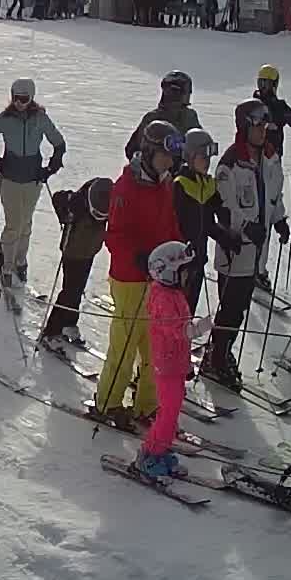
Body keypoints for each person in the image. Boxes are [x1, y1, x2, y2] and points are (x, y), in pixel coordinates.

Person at [93, 120, 183, 424]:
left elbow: (169, 224)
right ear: (148, 152)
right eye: (164, 156)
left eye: (171, 158)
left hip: (157, 277)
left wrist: (178, 251)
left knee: (154, 345)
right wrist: (140, 256)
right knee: (126, 342)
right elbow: (114, 236)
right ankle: (108, 402)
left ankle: (146, 404)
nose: (169, 163)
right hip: (129, 277)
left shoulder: (165, 183)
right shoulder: (126, 186)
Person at [203, 99, 287, 389]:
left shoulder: (270, 157)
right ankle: (217, 355)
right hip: (235, 251)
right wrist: (245, 227)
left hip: (256, 252)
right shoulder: (229, 165)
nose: (264, 131)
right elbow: (224, 209)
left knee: (238, 309)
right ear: (244, 127)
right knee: (230, 308)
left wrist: (279, 219)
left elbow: (273, 194)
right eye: (259, 126)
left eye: (266, 126)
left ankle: (221, 351)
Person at [0, 78, 66, 288]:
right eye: (16, 98)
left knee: (26, 224)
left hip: (33, 179)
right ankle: (6, 266)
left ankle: (20, 262)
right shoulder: (6, 119)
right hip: (11, 179)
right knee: (14, 224)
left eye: (24, 99)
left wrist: (51, 167)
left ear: (31, 98)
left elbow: (59, 142)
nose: (19, 103)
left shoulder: (40, 118)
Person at [134, 241, 209, 478]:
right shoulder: (163, 298)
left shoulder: (173, 294)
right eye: (184, 271)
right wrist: (203, 326)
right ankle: (149, 455)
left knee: (172, 412)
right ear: (168, 273)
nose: (188, 276)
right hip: (166, 364)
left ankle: (160, 449)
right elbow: (179, 331)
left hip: (174, 362)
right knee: (168, 414)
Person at [40, 177, 112, 348]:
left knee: (78, 288)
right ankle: (51, 331)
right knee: (69, 291)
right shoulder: (77, 202)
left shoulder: (109, 200)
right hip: (72, 251)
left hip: (89, 250)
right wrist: (65, 216)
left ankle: (69, 323)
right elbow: (58, 197)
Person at [171, 129, 227, 315]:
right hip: (182, 263)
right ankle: (170, 343)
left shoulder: (208, 186)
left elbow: (209, 223)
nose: (207, 162)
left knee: (189, 310)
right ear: (190, 156)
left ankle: (182, 342)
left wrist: (225, 236)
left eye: (209, 157)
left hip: (199, 260)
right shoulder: (181, 185)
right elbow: (175, 226)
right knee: (177, 310)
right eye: (203, 157)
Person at [124, 70, 200, 158]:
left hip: (184, 167)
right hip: (159, 169)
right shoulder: (153, 118)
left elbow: (199, 141)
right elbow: (132, 150)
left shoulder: (190, 116)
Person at [254, 65, 291, 156]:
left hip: (263, 158)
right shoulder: (254, 105)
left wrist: (287, 116)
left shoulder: (277, 106)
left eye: (265, 83)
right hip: (262, 158)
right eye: (262, 83)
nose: (263, 86)